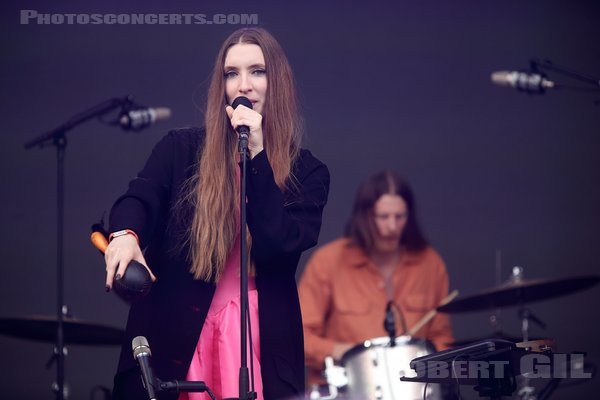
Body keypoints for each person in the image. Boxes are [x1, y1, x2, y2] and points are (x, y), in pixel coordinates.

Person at [104, 27, 330, 400]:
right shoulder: (180, 149)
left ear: (279, 83)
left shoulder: (307, 172)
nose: (244, 85)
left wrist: (256, 156)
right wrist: (125, 235)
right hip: (179, 333)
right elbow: (139, 198)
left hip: (256, 341)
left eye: (258, 71)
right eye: (231, 73)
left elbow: (278, 244)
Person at [298, 170, 453, 385]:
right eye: (383, 217)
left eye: (400, 217)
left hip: (411, 388)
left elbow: (442, 338)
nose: (392, 227)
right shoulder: (328, 261)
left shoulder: (430, 264)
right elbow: (299, 335)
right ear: (365, 218)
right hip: (348, 388)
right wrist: (342, 352)